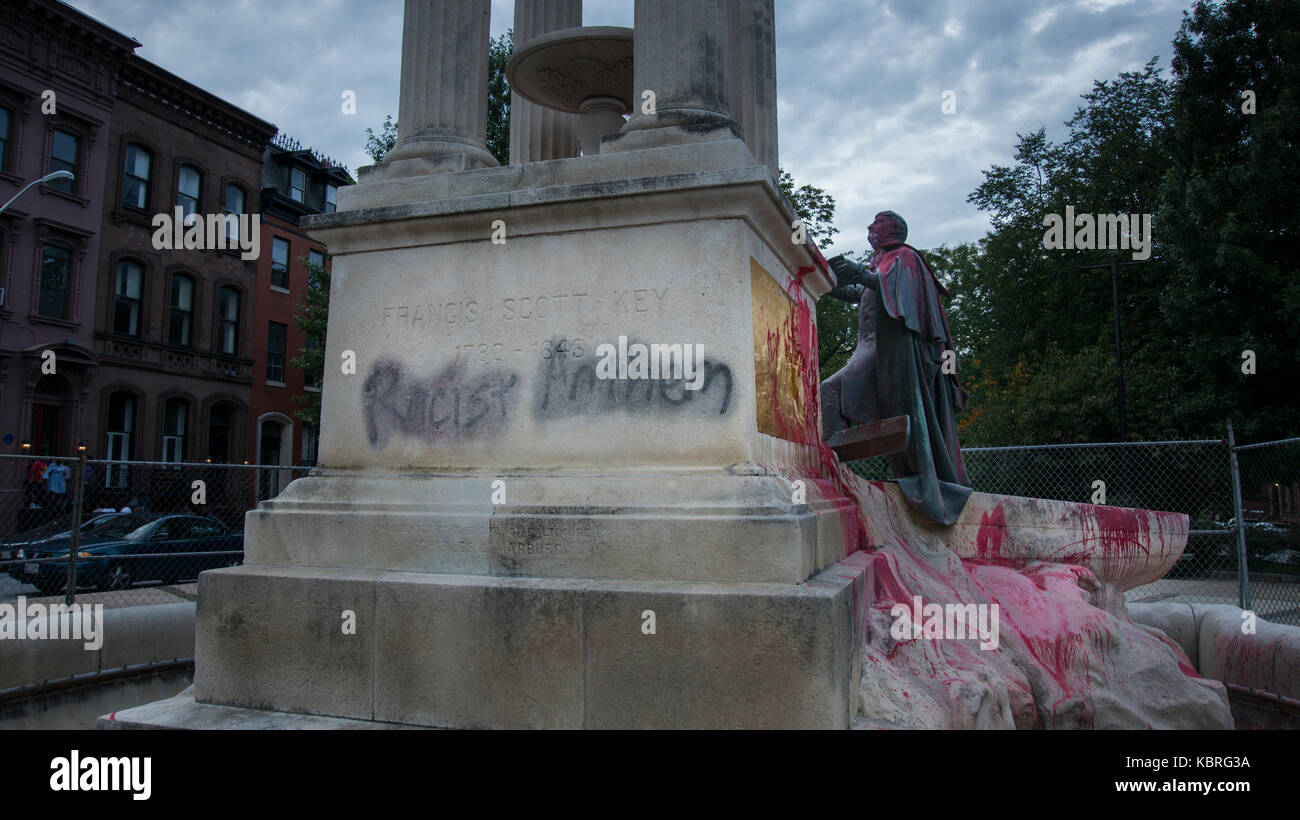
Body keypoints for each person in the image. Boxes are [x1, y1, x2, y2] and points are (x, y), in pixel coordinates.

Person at [823, 211, 972, 526]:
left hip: (888, 352)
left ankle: (835, 460)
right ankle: (837, 460)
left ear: (893, 228)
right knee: (829, 393)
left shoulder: (904, 257)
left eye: (876, 222)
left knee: (830, 391)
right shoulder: (882, 264)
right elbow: (858, 293)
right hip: (867, 350)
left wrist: (859, 272)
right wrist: (827, 281)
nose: (869, 227)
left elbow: (895, 296)